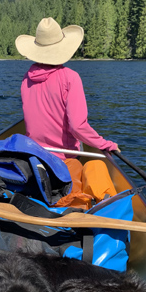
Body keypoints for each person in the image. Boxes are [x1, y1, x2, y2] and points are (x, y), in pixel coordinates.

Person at [15, 17, 120, 209]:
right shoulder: (70, 78)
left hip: (34, 157)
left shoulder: (26, 78)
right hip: (64, 159)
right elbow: (78, 126)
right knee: (90, 168)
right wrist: (106, 144)